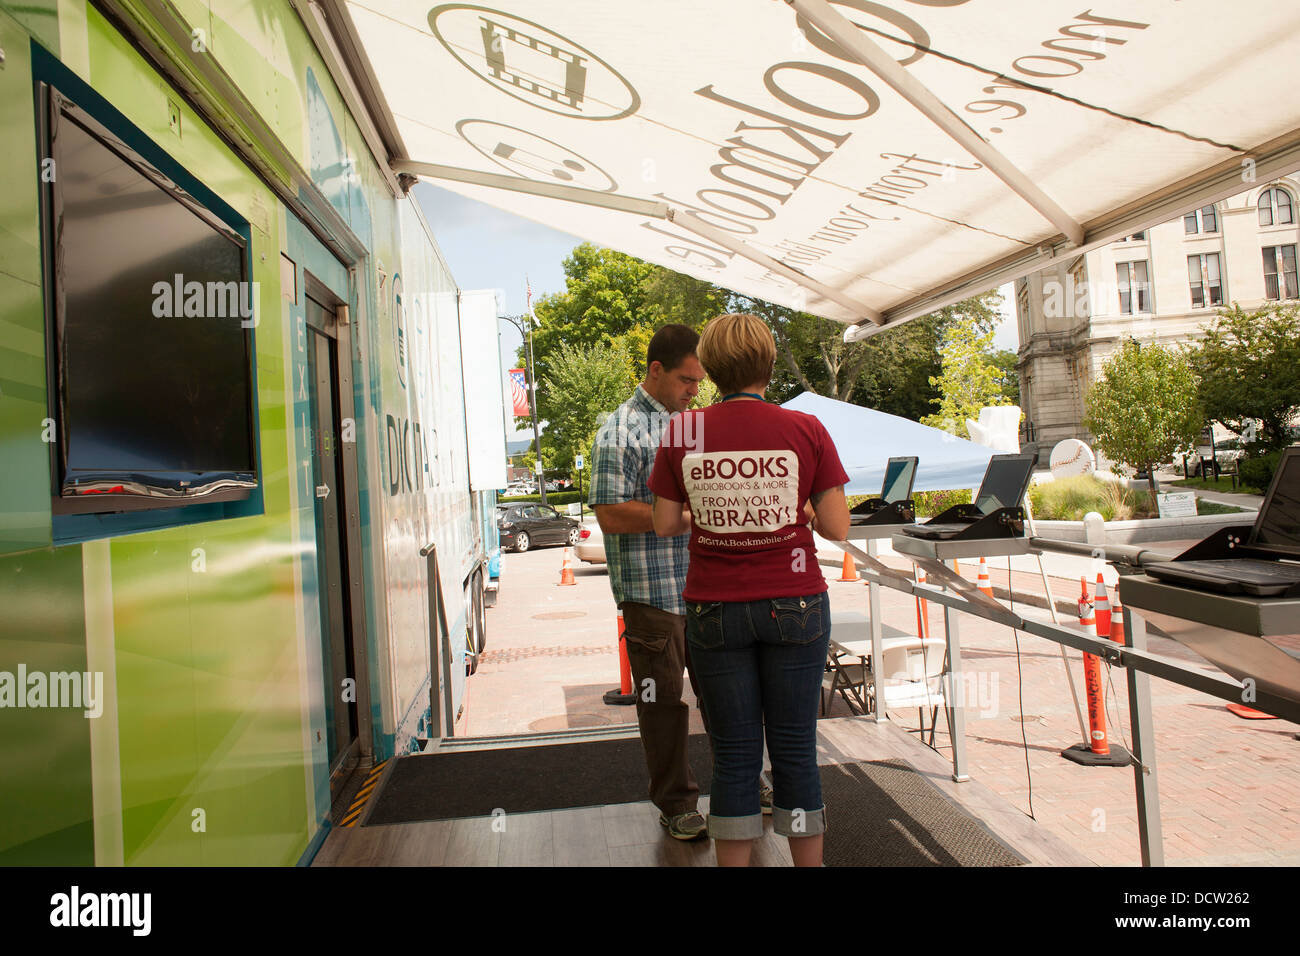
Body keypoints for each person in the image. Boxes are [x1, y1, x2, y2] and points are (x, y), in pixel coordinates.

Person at [649, 312, 850, 867]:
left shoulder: (685, 430)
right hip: (797, 604)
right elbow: (837, 527)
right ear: (767, 364)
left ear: (710, 368)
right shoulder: (805, 428)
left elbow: (665, 523)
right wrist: (797, 509)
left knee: (735, 755)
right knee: (795, 751)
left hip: (714, 609)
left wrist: (716, 511)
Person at [588, 324, 711, 840]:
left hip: (706, 590)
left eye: (699, 382)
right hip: (652, 594)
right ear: (655, 370)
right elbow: (611, 515)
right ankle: (677, 805)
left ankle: (745, 782)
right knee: (662, 705)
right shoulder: (617, 431)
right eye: (686, 380)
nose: (694, 391)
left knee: (730, 698)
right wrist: (690, 514)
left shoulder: (695, 427)